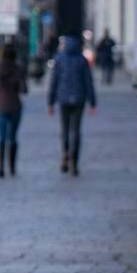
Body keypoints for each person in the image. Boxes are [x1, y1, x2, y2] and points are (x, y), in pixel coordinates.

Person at [47, 35, 97, 176]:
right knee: (76, 130)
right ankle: (74, 163)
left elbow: (53, 82)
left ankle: (65, 155)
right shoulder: (82, 60)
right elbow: (88, 82)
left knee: (65, 129)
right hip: (79, 99)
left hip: (63, 99)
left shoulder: (59, 59)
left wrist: (50, 102)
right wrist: (92, 102)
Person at [0, 42, 27, 178]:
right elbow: (24, 89)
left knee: (1, 137)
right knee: (13, 138)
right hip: (15, 105)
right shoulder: (18, 69)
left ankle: (0, 167)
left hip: (0, 105)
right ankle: (12, 167)